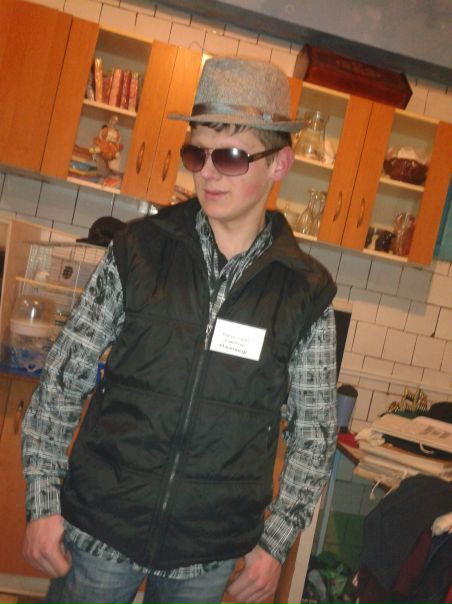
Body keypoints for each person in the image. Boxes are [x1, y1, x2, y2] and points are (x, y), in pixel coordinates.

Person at [21, 56, 338, 604]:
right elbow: (64, 376)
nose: (207, 172)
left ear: (279, 164)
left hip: (206, 554)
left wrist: (276, 543)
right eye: (197, 153)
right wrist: (43, 500)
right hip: (100, 532)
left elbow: (314, 433)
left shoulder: (304, 292)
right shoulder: (139, 250)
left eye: (230, 156)